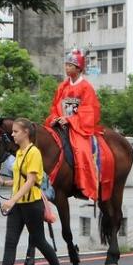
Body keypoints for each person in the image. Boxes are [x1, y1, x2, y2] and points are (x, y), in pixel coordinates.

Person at [0, 118, 69, 265]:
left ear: (26, 133)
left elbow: (31, 181)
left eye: (15, 131)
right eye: (12, 132)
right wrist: (5, 182)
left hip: (32, 205)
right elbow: (21, 179)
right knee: (10, 242)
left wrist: (11, 200)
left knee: (40, 242)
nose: (12, 134)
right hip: (18, 205)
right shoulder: (20, 153)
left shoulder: (33, 153)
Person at [46, 49, 102, 200]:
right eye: (66, 65)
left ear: (78, 68)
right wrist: (56, 117)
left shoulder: (86, 87)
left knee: (82, 150)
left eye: (70, 65)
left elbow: (89, 110)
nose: (66, 68)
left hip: (77, 127)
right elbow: (55, 106)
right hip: (61, 124)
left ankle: (82, 185)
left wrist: (70, 120)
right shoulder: (62, 87)